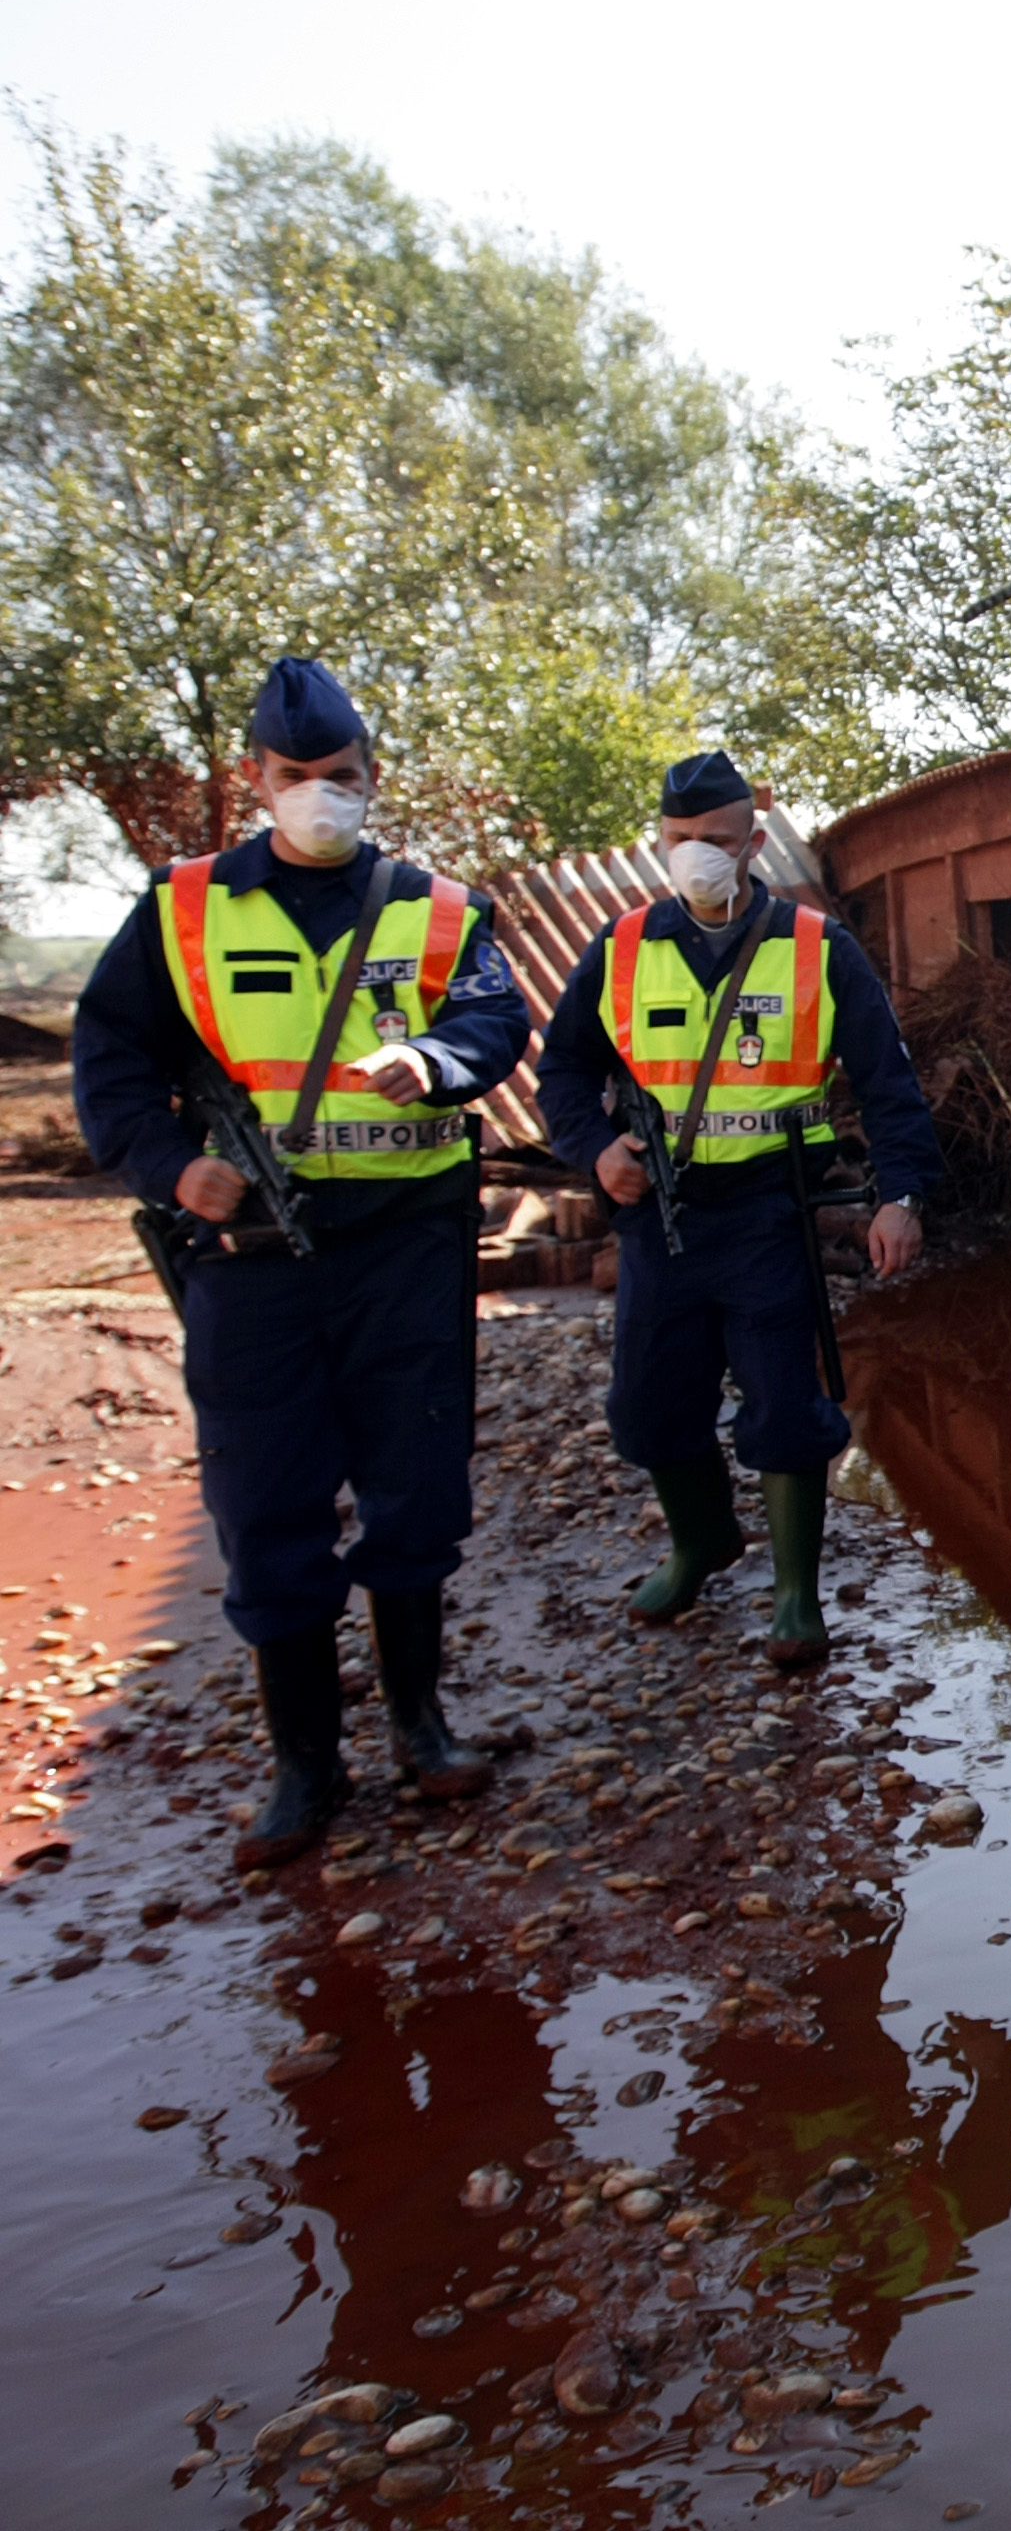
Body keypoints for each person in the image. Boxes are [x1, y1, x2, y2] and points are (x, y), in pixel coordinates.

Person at [69, 658, 530, 1868]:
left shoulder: (436, 910)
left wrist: (435, 1059)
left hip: (407, 1246)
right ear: (256, 782)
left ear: (374, 780)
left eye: (342, 777)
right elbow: (112, 1055)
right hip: (255, 1255)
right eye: (297, 778)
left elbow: (496, 1016)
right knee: (267, 1498)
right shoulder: (183, 910)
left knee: (415, 1481)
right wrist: (171, 1168)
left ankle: (421, 1725)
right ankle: (304, 1763)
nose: (321, 795)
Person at [535, 751, 938, 1671]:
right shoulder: (622, 948)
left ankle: (795, 1590)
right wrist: (595, 1153)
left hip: (771, 1210)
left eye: (716, 842)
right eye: (680, 842)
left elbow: (888, 1083)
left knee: (786, 1403)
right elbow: (562, 1069)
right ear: (660, 843)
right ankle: (701, 1543)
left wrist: (900, 1197)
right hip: (661, 1217)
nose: (697, 858)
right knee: (647, 1403)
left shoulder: (815, 946)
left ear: (754, 841)